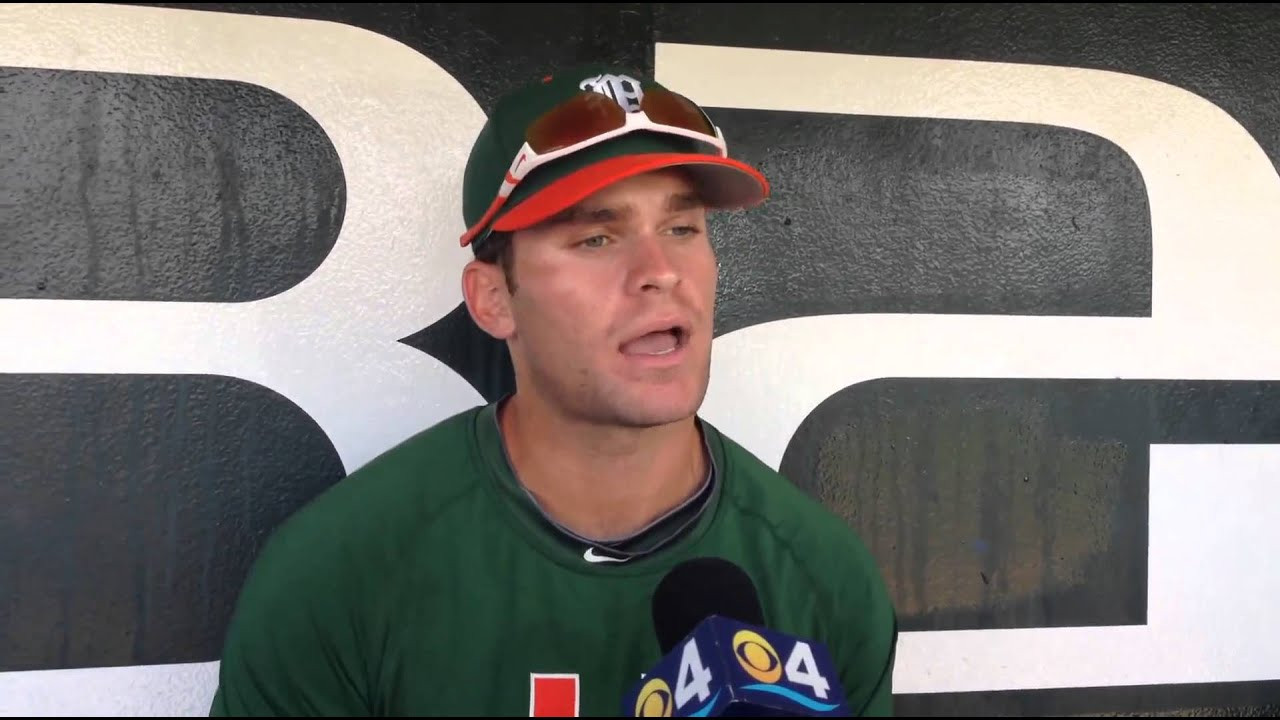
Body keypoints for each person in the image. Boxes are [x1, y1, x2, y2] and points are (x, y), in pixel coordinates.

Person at [208, 62, 898, 717]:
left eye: (682, 227)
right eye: (597, 238)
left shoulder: (823, 579)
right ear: (493, 300)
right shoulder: (337, 575)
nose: (660, 271)